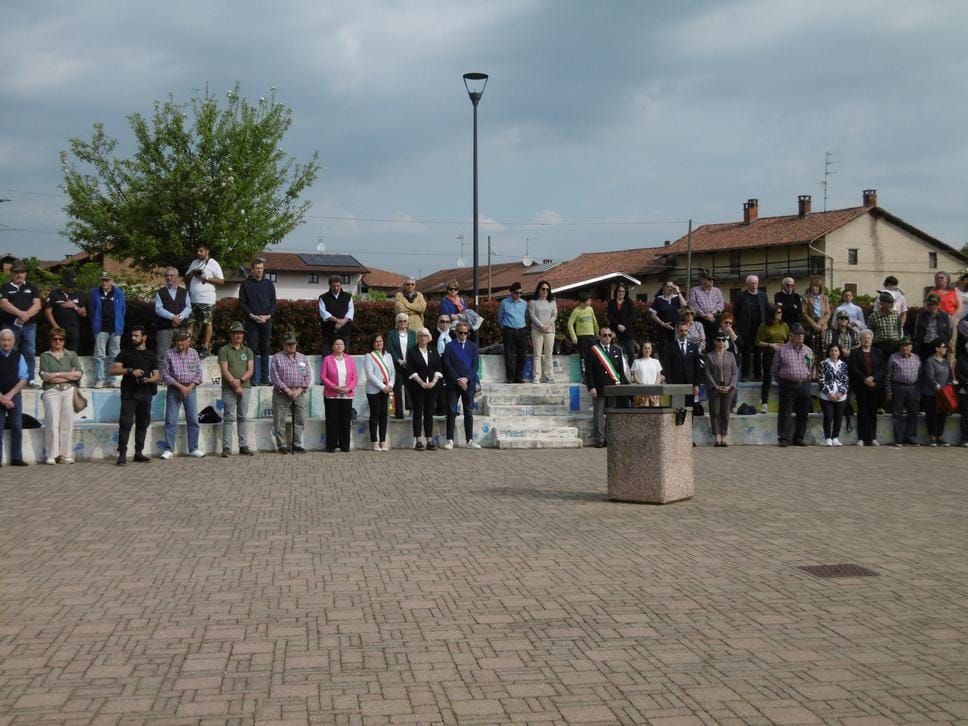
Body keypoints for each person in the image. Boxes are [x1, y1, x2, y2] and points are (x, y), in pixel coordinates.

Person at [111, 325, 159, 466]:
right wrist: (130, 370)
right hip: (129, 393)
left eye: (136, 335)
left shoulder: (151, 354)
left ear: (144, 337)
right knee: (125, 423)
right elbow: (113, 369)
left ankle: (138, 453)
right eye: (132, 335)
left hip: (146, 393)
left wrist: (148, 380)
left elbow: (157, 375)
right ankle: (122, 454)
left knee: (143, 423)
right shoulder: (125, 353)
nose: (133, 338)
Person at [38, 327, 82, 464]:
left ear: (64, 341)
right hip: (51, 391)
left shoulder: (71, 355)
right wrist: (68, 375)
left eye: (60, 339)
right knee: (52, 422)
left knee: (67, 423)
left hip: (68, 390)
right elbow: (45, 376)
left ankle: (65, 454)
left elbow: (79, 374)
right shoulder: (45, 356)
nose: (58, 341)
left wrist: (56, 375)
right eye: (55, 339)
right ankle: (51, 454)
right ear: (50, 340)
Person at [160, 329, 204, 459]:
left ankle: (194, 448)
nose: (180, 342)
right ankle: (168, 449)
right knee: (170, 419)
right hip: (174, 389)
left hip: (190, 389)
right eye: (178, 339)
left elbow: (199, 373)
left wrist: (189, 387)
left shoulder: (194, 353)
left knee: (193, 420)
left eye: (183, 340)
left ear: (188, 341)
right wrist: (180, 387)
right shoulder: (169, 354)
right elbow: (165, 375)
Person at [585, 327, 629, 448]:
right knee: (598, 413)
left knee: (612, 413)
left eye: (610, 335)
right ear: (599, 337)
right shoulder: (593, 351)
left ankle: (610, 437)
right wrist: (591, 387)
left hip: (613, 386)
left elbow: (620, 371)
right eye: (604, 335)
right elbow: (589, 371)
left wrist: (624, 385)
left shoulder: (617, 350)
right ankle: (599, 438)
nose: (608, 337)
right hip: (599, 386)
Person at [0, 259, 42, 387]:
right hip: (10, 324)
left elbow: (38, 305)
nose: (19, 274)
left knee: (30, 350)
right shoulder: (6, 287)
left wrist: (25, 316)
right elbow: (3, 304)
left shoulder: (32, 287)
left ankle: (30, 379)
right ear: (12, 273)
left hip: (29, 325)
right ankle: (12, 379)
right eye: (17, 272)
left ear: (26, 273)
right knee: (10, 351)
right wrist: (20, 314)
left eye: (22, 272)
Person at [771, 323, 814, 447]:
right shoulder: (782, 349)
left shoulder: (808, 350)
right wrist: (781, 381)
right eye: (797, 334)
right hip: (787, 384)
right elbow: (774, 368)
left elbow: (810, 366)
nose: (800, 336)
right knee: (785, 412)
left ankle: (799, 438)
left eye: (802, 334)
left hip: (804, 384)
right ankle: (784, 438)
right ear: (792, 336)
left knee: (803, 413)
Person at [270, 332, 312, 453]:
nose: (291, 346)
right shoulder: (277, 357)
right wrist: (287, 390)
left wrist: (299, 390)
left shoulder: (302, 357)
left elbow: (307, 375)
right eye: (288, 344)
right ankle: (282, 445)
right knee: (280, 420)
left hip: (299, 392)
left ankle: (297, 443)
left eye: (293, 343)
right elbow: (275, 376)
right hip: (282, 393)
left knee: (300, 419)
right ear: (283, 345)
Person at [442, 321, 481, 449]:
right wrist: (458, 379)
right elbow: (447, 365)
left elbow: (475, 366)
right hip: (453, 384)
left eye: (465, 333)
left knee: (468, 411)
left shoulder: (473, 347)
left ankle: (469, 440)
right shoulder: (449, 346)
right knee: (452, 411)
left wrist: (466, 379)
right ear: (456, 332)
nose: (463, 335)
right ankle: (449, 440)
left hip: (468, 383)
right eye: (460, 332)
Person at [218, 321, 254, 457]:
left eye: (240, 333)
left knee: (242, 417)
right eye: (235, 333)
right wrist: (235, 384)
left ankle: (243, 445)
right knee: (228, 417)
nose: (238, 335)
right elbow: (224, 370)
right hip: (229, 388)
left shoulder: (248, 351)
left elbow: (250, 370)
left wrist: (241, 382)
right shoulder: (224, 350)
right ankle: (227, 447)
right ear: (231, 335)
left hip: (245, 388)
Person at [238, 257, 276, 386]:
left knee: (265, 348)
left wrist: (268, 316)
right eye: (257, 268)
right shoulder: (246, 284)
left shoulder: (269, 284)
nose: (259, 271)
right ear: (252, 270)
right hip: (252, 321)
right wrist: (252, 315)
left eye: (261, 268)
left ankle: (265, 378)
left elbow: (273, 302)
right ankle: (252, 378)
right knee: (251, 349)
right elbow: (242, 303)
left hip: (267, 321)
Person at [406, 327, 442, 450]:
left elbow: (438, 368)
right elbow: (410, 369)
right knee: (417, 412)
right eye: (420, 336)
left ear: (429, 338)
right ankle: (418, 440)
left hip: (432, 387)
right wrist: (421, 383)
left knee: (429, 413)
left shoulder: (434, 350)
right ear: (417, 338)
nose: (423, 338)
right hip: (417, 387)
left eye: (425, 336)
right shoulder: (412, 351)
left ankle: (429, 440)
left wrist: (433, 382)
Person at [185, 243, 224, 358]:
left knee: (207, 322)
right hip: (193, 299)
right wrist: (193, 272)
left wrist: (205, 278)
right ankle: (188, 345)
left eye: (201, 251)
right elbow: (186, 278)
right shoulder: (194, 262)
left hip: (207, 300)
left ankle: (205, 347)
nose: (198, 253)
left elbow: (221, 281)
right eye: (197, 251)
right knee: (191, 323)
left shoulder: (213, 263)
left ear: (207, 251)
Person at [847, 329, 884, 447]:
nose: (866, 340)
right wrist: (865, 379)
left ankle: (873, 437)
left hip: (874, 386)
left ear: (872, 340)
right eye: (864, 338)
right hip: (861, 386)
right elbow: (853, 368)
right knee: (862, 412)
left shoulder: (878, 352)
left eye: (868, 338)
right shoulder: (855, 352)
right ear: (860, 340)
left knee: (872, 412)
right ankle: (861, 438)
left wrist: (873, 378)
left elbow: (882, 368)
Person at [89, 270, 126, 388]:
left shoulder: (118, 292)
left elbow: (123, 309)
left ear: (111, 281)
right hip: (100, 328)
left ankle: (113, 379)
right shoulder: (95, 292)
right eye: (103, 280)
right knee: (99, 354)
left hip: (115, 328)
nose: (105, 283)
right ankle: (99, 379)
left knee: (114, 354)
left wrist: (120, 323)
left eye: (107, 280)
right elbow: (92, 309)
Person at [321, 338, 358, 453]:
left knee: (345, 420)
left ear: (344, 346)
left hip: (347, 394)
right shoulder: (327, 359)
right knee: (332, 420)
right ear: (332, 347)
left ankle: (344, 445)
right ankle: (331, 445)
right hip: (332, 394)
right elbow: (323, 376)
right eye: (336, 344)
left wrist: (349, 388)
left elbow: (354, 377)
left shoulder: (350, 359)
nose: (339, 346)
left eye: (341, 344)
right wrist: (334, 387)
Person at [153, 267, 192, 373]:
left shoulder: (184, 292)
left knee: (182, 353)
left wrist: (179, 317)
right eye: (167, 275)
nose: (168, 277)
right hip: (164, 328)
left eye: (171, 275)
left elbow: (188, 307)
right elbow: (158, 309)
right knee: (162, 355)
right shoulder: (160, 293)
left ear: (177, 277)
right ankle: (162, 379)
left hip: (181, 328)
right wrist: (172, 317)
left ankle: (180, 376)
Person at [0, 329, 29, 466]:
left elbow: (23, 379)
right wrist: (2, 398)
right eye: (3, 340)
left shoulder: (19, 356)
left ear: (13, 341)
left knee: (17, 427)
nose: (6, 343)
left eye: (8, 340)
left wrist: (9, 396)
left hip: (14, 396)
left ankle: (16, 458)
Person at [732, 274, 769, 381]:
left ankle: (758, 374)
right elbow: (736, 312)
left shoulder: (763, 295)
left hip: (759, 328)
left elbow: (766, 310)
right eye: (752, 283)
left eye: (756, 283)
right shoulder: (740, 296)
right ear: (747, 284)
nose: (754, 285)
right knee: (746, 352)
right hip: (746, 329)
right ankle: (745, 374)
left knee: (758, 352)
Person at [886, 336, 921, 447]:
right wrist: (888, 390)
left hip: (913, 387)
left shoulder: (916, 358)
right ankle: (899, 439)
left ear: (911, 347)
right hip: (898, 387)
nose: (905, 347)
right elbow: (888, 376)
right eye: (903, 345)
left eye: (908, 345)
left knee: (913, 413)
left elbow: (920, 375)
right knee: (897, 413)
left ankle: (911, 438)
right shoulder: (893, 357)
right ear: (900, 347)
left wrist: (919, 390)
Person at [704, 332, 737, 447]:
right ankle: (716, 437)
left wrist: (730, 386)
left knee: (725, 413)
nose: (721, 342)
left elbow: (734, 372)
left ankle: (724, 437)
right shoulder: (709, 356)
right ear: (714, 342)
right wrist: (715, 386)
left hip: (728, 388)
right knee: (715, 412)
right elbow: (707, 373)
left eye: (723, 340)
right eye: (718, 340)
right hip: (715, 388)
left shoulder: (731, 355)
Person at [660, 321, 702, 410]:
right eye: (681, 331)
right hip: (675, 383)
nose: (683, 333)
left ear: (688, 331)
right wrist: (669, 383)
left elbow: (697, 367)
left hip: (690, 384)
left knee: (689, 409)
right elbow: (667, 366)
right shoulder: (670, 347)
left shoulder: (693, 347)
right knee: (675, 409)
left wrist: (697, 384)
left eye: (685, 331)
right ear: (677, 331)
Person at [755, 305, 789, 414]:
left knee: (784, 378)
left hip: (783, 354)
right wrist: (770, 345)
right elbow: (758, 342)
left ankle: (785, 403)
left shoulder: (784, 325)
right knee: (767, 378)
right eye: (778, 312)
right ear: (772, 313)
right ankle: (764, 403)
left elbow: (788, 340)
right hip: (769, 353)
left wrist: (784, 347)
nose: (780, 314)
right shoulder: (764, 326)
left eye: (781, 312)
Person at [363, 334, 394, 451]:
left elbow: (393, 373)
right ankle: (374, 441)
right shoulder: (369, 356)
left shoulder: (388, 356)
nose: (379, 343)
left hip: (386, 389)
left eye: (380, 341)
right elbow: (370, 375)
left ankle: (383, 441)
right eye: (376, 341)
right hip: (373, 390)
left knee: (384, 416)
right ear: (373, 343)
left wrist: (390, 385)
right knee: (374, 416)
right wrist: (382, 386)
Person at [922, 337, 954, 446]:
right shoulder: (930, 361)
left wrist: (949, 385)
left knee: (942, 415)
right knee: (932, 415)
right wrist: (938, 387)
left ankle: (940, 437)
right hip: (932, 394)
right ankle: (932, 438)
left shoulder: (946, 362)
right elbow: (930, 378)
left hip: (944, 394)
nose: (945, 349)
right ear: (937, 349)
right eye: (943, 347)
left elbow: (950, 375)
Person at [45, 271, 87, 352]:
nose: (70, 289)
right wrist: (55, 326)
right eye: (68, 286)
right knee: (58, 351)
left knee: (72, 353)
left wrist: (74, 306)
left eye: (72, 287)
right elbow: (48, 311)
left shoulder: (78, 294)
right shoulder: (54, 294)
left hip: (73, 330)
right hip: (58, 329)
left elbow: (84, 313)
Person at [818, 343, 849, 446]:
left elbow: (846, 380)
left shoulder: (843, 365)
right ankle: (827, 438)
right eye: (832, 351)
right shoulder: (823, 363)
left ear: (839, 353)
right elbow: (821, 380)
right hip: (826, 396)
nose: (834, 352)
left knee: (838, 417)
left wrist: (840, 393)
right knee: (828, 416)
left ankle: (835, 437)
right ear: (829, 352)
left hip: (841, 396)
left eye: (836, 351)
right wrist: (830, 393)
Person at [386, 313, 415, 420]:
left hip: (409, 365)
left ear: (408, 323)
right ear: (396, 323)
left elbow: (415, 348)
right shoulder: (392, 334)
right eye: (400, 321)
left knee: (411, 387)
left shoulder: (413, 334)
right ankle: (398, 412)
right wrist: (398, 360)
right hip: (396, 366)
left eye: (405, 321)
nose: (403, 323)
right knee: (396, 388)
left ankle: (412, 409)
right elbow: (390, 348)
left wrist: (408, 360)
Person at [528, 280, 558, 383]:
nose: (545, 291)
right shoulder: (533, 302)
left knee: (548, 354)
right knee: (537, 354)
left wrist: (547, 325)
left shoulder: (552, 302)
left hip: (550, 330)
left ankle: (549, 375)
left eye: (547, 289)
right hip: (537, 330)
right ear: (539, 289)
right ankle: (536, 376)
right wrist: (541, 325)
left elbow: (554, 315)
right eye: (543, 289)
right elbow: (532, 315)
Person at [499, 281, 528, 383]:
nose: (519, 295)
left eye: (521, 293)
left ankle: (519, 377)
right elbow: (500, 317)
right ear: (511, 292)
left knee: (522, 355)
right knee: (509, 354)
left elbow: (526, 317)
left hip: (521, 330)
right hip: (509, 330)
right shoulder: (504, 303)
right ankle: (510, 377)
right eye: (516, 292)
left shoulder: (524, 303)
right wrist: (505, 328)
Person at [567, 290, 599, 382]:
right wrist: (574, 337)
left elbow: (594, 322)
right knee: (584, 357)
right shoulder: (576, 311)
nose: (590, 302)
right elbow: (570, 324)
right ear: (583, 301)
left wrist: (597, 333)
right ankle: (585, 376)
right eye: (588, 301)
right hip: (582, 337)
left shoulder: (590, 309)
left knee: (595, 355)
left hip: (592, 336)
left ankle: (595, 375)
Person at [318, 275, 355, 353]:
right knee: (327, 356)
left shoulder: (348, 296)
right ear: (330, 285)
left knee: (344, 357)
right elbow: (323, 313)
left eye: (338, 285)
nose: (336, 288)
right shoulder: (323, 297)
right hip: (328, 333)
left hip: (344, 332)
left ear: (340, 285)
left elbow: (350, 311)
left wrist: (342, 322)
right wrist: (337, 320)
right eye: (334, 286)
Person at [688, 272, 724, 345]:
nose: (711, 281)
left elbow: (721, 304)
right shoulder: (694, 290)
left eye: (712, 279)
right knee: (702, 340)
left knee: (715, 339)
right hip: (701, 319)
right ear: (702, 279)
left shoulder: (717, 291)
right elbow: (693, 305)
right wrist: (704, 315)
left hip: (714, 318)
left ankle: (713, 355)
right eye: (709, 279)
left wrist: (712, 313)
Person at [914, 293, 952, 361]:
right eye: (929, 304)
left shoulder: (945, 317)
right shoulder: (920, 316)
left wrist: (946, 344)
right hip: (925, 346)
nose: (931, 307)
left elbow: (949, 332)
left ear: (938, 305)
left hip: (940, 347)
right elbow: (916, 332)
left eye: (933, 304)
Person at [802, 277, 831, 364]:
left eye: (817, 287)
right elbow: (804, 313)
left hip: (822, 328)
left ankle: (821, 372)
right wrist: (814, 324)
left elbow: (828, 313)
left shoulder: (825, 298)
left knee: (822, 351)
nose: (814, 288)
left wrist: (820, 323)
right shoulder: (805, 298)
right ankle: (810, 372)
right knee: (811, 350)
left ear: (820, 288)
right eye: (813, 286)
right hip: (811, 328)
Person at [607, 282, 637, 364]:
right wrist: (618, 325)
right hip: (614, 330)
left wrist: (623, 325)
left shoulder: (629, 302)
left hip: (627, 330)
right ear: (616, 292)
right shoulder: (611, 303)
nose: (621, 293)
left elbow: (632, 316)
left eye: (623, 291)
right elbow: (610, 316)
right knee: (613, 353)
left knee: (631, 352)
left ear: (625, 293)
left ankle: (632, 372)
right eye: (619, 291)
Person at [648, 281, 684, 347]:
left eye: (672, 287)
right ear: (664, 288)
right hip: (663, 329)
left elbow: (685, 306)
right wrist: (662, 323)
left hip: (676, 329)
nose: (670, 288)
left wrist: (678, 292)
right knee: (664, 349)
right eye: (668, 286)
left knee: (675, 348)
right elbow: (651, 313)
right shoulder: (659, 299)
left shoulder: (677, 297)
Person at [631, 340, 663, 407]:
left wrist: (653, 389)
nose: (647, 350)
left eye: (649, 348)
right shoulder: (636, 362)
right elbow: (636, 377)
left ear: (651, 349)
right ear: (642, 350)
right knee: (643, 412)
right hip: (641, 392)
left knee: (655, 412)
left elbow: (658, 377)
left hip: (654, 392)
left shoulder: (656, 361)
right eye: (645, 348)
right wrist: (645, 388)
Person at [956, 341, 968, 447]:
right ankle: (964, 439)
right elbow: (959, 374)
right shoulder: (961, 359)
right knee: (965, 416)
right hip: (964, 391)